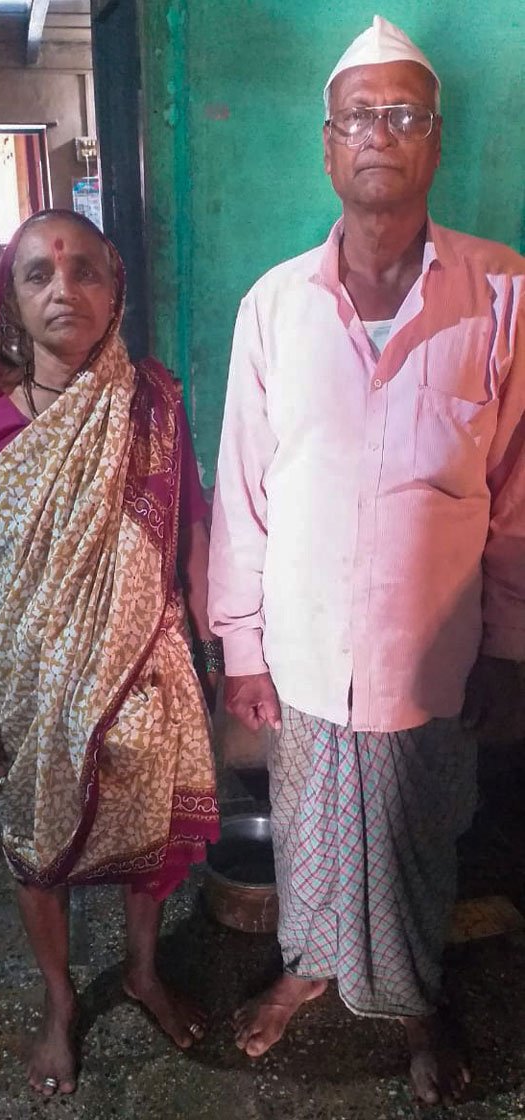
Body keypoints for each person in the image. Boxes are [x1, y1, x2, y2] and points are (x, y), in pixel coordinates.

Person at [208, 14, 525, 1106]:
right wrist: (240, 645)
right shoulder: (273, 306)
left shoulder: (501, 293)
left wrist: (513, 644)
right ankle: (307, 967)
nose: (378, 134)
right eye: (358, 117)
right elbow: (243, 494)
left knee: (420, 837)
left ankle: (415, 999)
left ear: (435, 142)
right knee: (307, 829)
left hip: (434, 651)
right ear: (326, 146)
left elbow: (520, 494)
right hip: (301, 645)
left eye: (402, 116)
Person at [0, 209, 222, 1096]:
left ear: (115, 288)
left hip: (146, 662)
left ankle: (139, 971)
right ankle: (60, 1003)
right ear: (11, 307)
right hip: (28, 680)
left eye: (85, 270)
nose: (65, 288)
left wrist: (217, 654)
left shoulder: (155, 402)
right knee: (32, 844)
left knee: (150, 837)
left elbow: (193, 531)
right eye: (38, 275)